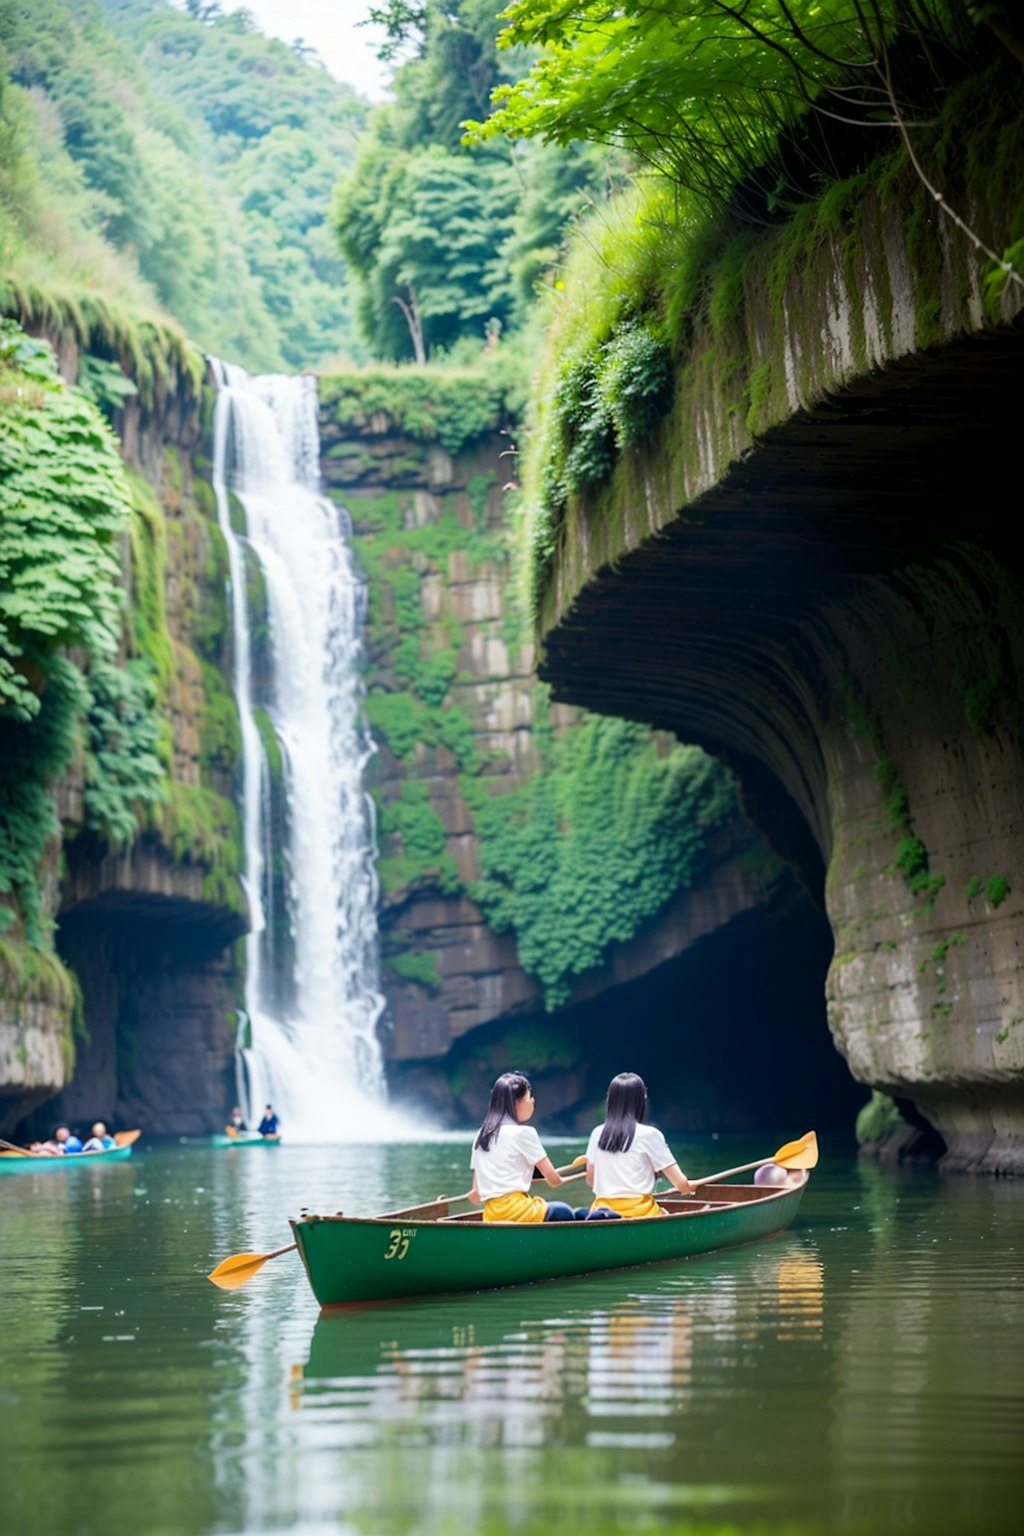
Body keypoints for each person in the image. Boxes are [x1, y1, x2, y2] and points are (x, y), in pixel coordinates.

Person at [470, 1071, 577, 1223]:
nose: (532, 1101)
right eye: (528, 1098)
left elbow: (477, 1194)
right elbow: (553, 1180)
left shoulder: (481, 1135)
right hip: (516, 1211)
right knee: (563, 1211)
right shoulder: (524, 1133)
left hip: (491, 1214)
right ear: (516, 1103)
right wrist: (566, 1178)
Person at [586, 1073, 693, 1219]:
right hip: (640, 1213)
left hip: (602, 1213)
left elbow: (590, 1180)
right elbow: (681, 1184)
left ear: (609, 1100)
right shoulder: (651, 1135)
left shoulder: (596, 1133)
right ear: (642, 1101)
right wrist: (689, 1187)